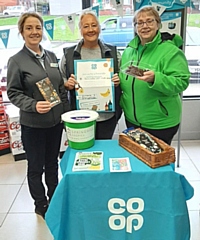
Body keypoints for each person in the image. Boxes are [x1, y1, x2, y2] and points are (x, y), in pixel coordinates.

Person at [6, 12, 70, 218]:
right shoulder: (16, 61)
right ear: (22, 32)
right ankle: (40, 204)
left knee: (52, 163)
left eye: (38, 28)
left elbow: (59, 87)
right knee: (36, 167)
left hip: (54, 123)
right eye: (29, 28)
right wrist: (33, 105)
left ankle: (54, 196)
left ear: (43, 30)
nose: (34, 32)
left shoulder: (51, 56)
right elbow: (13, 92)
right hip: (33, 124)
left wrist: (65, 114)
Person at [119, 6, 190, 145]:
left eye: (149, 21)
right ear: (135, 27)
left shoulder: (170, 51)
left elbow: (182, 82)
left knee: (157, 163)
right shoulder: (129, 51)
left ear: (158, 24)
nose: (144, 26)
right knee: (139, 159)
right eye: (140, 23)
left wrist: (155, 79)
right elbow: (124, 77)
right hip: (132, 120)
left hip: (159, 122)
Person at [59, 11, 122, 139]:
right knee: (83, 151)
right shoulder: (68, 55)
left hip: (107, 116)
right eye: (86, 26)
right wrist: (67, 84)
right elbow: (59, 78)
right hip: (80, 117)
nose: (90, 30)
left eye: (94, 25)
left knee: (103, 150)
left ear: (99, 28)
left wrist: (118, 80)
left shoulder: (113, 53)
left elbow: (123, 76)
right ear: (80, 30)